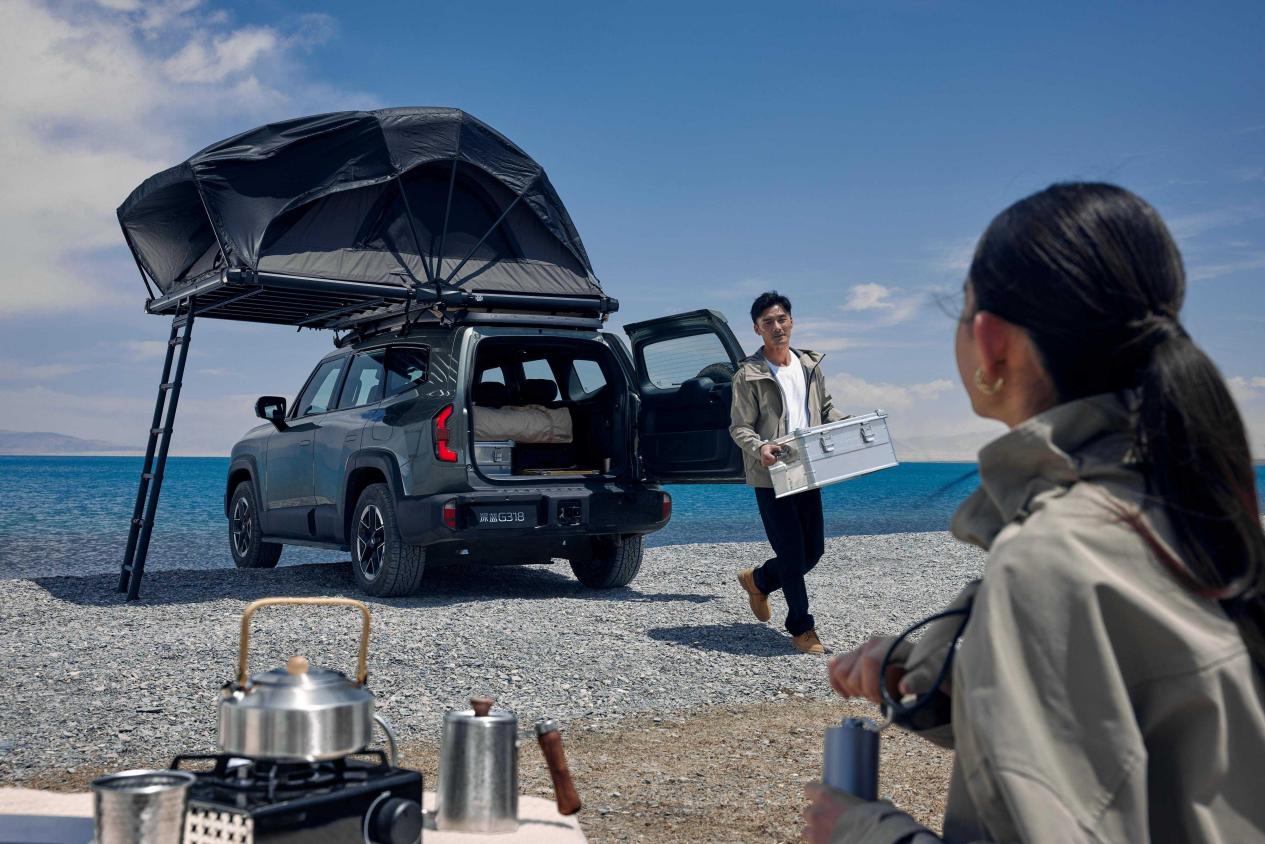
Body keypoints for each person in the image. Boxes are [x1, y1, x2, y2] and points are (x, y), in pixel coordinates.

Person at [806, 182, 1265, 842]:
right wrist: (929, 667)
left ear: (990, 342)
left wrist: (859, 830)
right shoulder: (1196, 510)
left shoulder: (1052, 558)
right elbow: (1140, 721)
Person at [730, 291, 846, 654]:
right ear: (757, 329)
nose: (777, 327)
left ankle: (759, 580)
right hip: (772, 473)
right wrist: (760, 447)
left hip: (808, 468)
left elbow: (824, 410)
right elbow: (739, 427)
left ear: (791, 322)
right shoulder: (748, 374)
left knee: (814, 551)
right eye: (768, 322)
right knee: (793, 555)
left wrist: (849, 427)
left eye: (781, 319)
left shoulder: (810, 366)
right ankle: (802, 628)